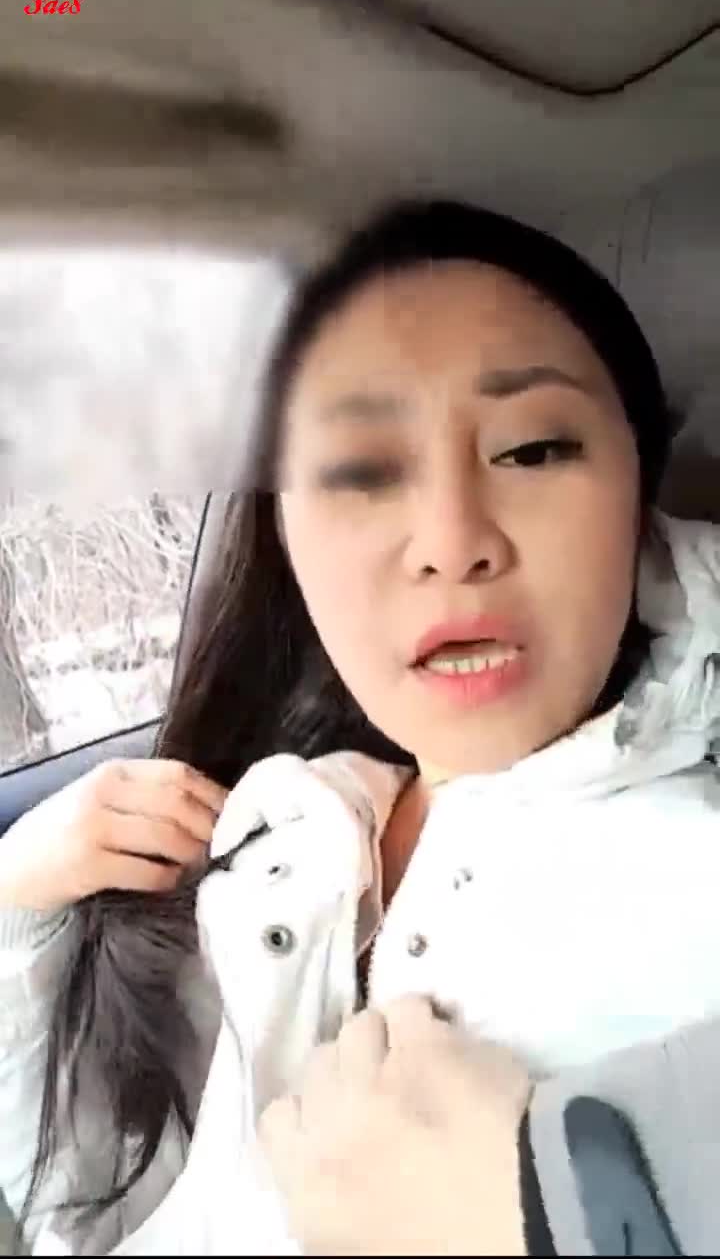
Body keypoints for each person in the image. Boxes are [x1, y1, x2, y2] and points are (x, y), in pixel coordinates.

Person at [1, 199, 719, 1255]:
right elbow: (83, 1207)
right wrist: (20, 910)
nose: (451, 541)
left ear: (640, 505)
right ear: (286, 538)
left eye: (532, 449)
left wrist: (555, 1211)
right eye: (359, 472)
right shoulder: (278, 831)